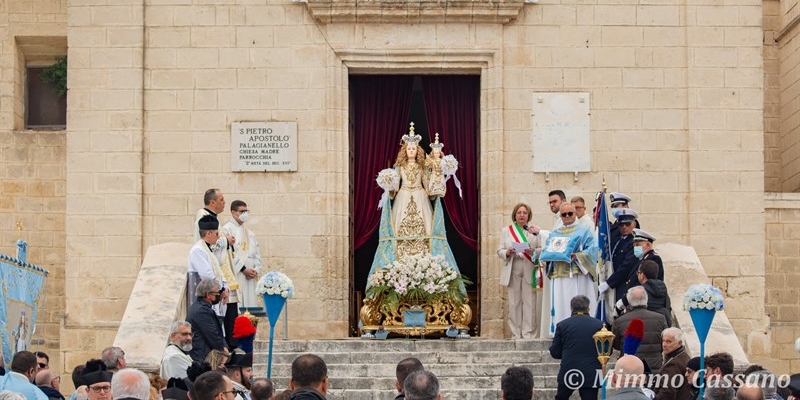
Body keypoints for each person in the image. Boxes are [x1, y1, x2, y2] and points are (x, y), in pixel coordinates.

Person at [366, 124, 464, 294]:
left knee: (426, 232)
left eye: (414, 148)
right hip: (403, 198)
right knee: (398, 232)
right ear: (405, 150)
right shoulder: (400, 168)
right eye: (409, 148)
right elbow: (394, 188)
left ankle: (426, 266)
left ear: (418, 150)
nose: (411, 150)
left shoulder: (422, 167)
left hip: (420, 197)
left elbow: (429, 187)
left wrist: (436, 179)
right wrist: (388, 185)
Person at [192, 188, 239, 348]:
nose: (224, 202)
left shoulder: (208, 248)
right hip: (210, 292)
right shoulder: (200, 248)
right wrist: (226, 241)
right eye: (222, 199)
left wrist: (224, 286)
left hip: (217, 289)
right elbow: (207, 274)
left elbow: (216, 270)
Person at [542, 203, 598, 336]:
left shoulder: (584, 231)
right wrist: (546, 256)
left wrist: (578, 256)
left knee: (575, 300)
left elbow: (593, 250)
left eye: (570, 213)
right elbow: (548, 250)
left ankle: (580, 331)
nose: (567, 216)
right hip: (559, 275)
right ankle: (561, 332)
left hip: (576, 274)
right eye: (563, 214)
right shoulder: (555, 233)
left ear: (575, 214)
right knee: (560, 304)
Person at [497, 203, 542, 339]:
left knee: (530, 302)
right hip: (514, 265)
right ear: (515, 215)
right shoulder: (507, 230)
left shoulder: (535, 231)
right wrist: (508, 252)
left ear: (529, 215)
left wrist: (534, 251)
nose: (522, 215)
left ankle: (528, 334)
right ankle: (516, 334)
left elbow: (542, 248)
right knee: (514, 302)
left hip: (529, 265)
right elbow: (499, 250)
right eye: (519, 212)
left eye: (525, 213)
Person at [549, 295, 603, 400]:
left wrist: (566, 353)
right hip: (592, 372)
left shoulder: (562, 325)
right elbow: (605, 352)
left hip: (568, 370)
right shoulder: (600, 325)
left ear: (571, 308)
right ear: (588, 308)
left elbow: (555, 352)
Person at [611, 286, 668, 371]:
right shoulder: (660, 319)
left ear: (629, 301)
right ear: (646, 299)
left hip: (629, 368)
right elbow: (665, 342)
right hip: (654, 368)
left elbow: (616, 345)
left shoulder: (619, 321)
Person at [221, 200, 264, 310]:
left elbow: (257, 254)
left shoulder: (250, 233)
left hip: (251, 276)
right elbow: (229, 254)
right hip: (238, 274)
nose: (245, 214)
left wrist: (256, 269)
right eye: (242, 211)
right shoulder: (227, 229)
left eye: (246, 211)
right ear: (234, 212)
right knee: (239, 307)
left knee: (251, 307)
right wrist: (244, 269)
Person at [600, 208, 640, 303]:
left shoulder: (634, 243)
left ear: (634, 224)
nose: (624, 227)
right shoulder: (618, 240)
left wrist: (608, 283)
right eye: (621, 224)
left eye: (628, 224)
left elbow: (625, 267)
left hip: (624, 284)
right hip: (614, 282)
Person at [187, 279, 228, 363]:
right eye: (216, 293)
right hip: (202, 357)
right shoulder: (202, 311)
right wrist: (223, 350)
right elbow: (213, 334)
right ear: (208, 295)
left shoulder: (201, 307)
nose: (219, 296)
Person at [654, 327, 691, 400]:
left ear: (679, 343)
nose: (664, 344)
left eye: (669, 341)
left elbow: (667, 391)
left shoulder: (674, 363)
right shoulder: (683, 355)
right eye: (663, 341)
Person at [636, 261, 672, 327]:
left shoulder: (639, 292)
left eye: (638, 273)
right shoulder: (663, 289)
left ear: (642, 276)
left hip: (646, 327)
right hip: (662, 327)